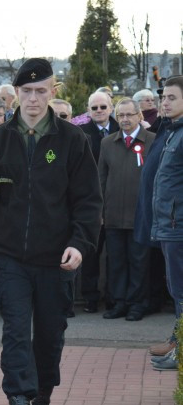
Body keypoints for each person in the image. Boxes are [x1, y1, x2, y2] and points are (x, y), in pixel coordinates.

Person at [0, 58, 101, 405]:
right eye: (26, 91)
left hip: (55, 258)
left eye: (41, 90)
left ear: (53, 92)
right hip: (8, 257)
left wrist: (79, 242)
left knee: (48, 334)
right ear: (16, 94)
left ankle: (42, 398)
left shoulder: (72, 141)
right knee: (14, 333)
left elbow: (88, 201)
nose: (32, 98)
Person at [97, 97, 155, 322]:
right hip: (113, 215)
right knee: (116, 261)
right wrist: (100, 210)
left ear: (139, 116)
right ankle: (119, 302)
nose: (124, 119)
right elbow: (101, 178)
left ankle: (137, 304)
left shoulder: (152, 140)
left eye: (129, 114)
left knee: (139, 262)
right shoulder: (107, 143)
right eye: (120, 115)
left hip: (140, 216)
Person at [149, 75, 183, 371]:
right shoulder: (174, 131)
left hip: (178, 226)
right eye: (164, 98)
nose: (165, 102)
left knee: (181, 290)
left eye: (172, 97)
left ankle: (181, 352)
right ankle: (178, 340)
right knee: (177, 289)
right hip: (169, 224)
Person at [80, 90, 120, 313]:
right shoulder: (81, 133)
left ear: (110, 108)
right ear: (88, 110)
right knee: (90, 253)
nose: (98, 111)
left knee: (114, 255)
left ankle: (113, 298)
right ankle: (90, 297)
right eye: (94, 108)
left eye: (103, 107)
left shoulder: (120, 129)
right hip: (89, 200)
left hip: (114, 200)